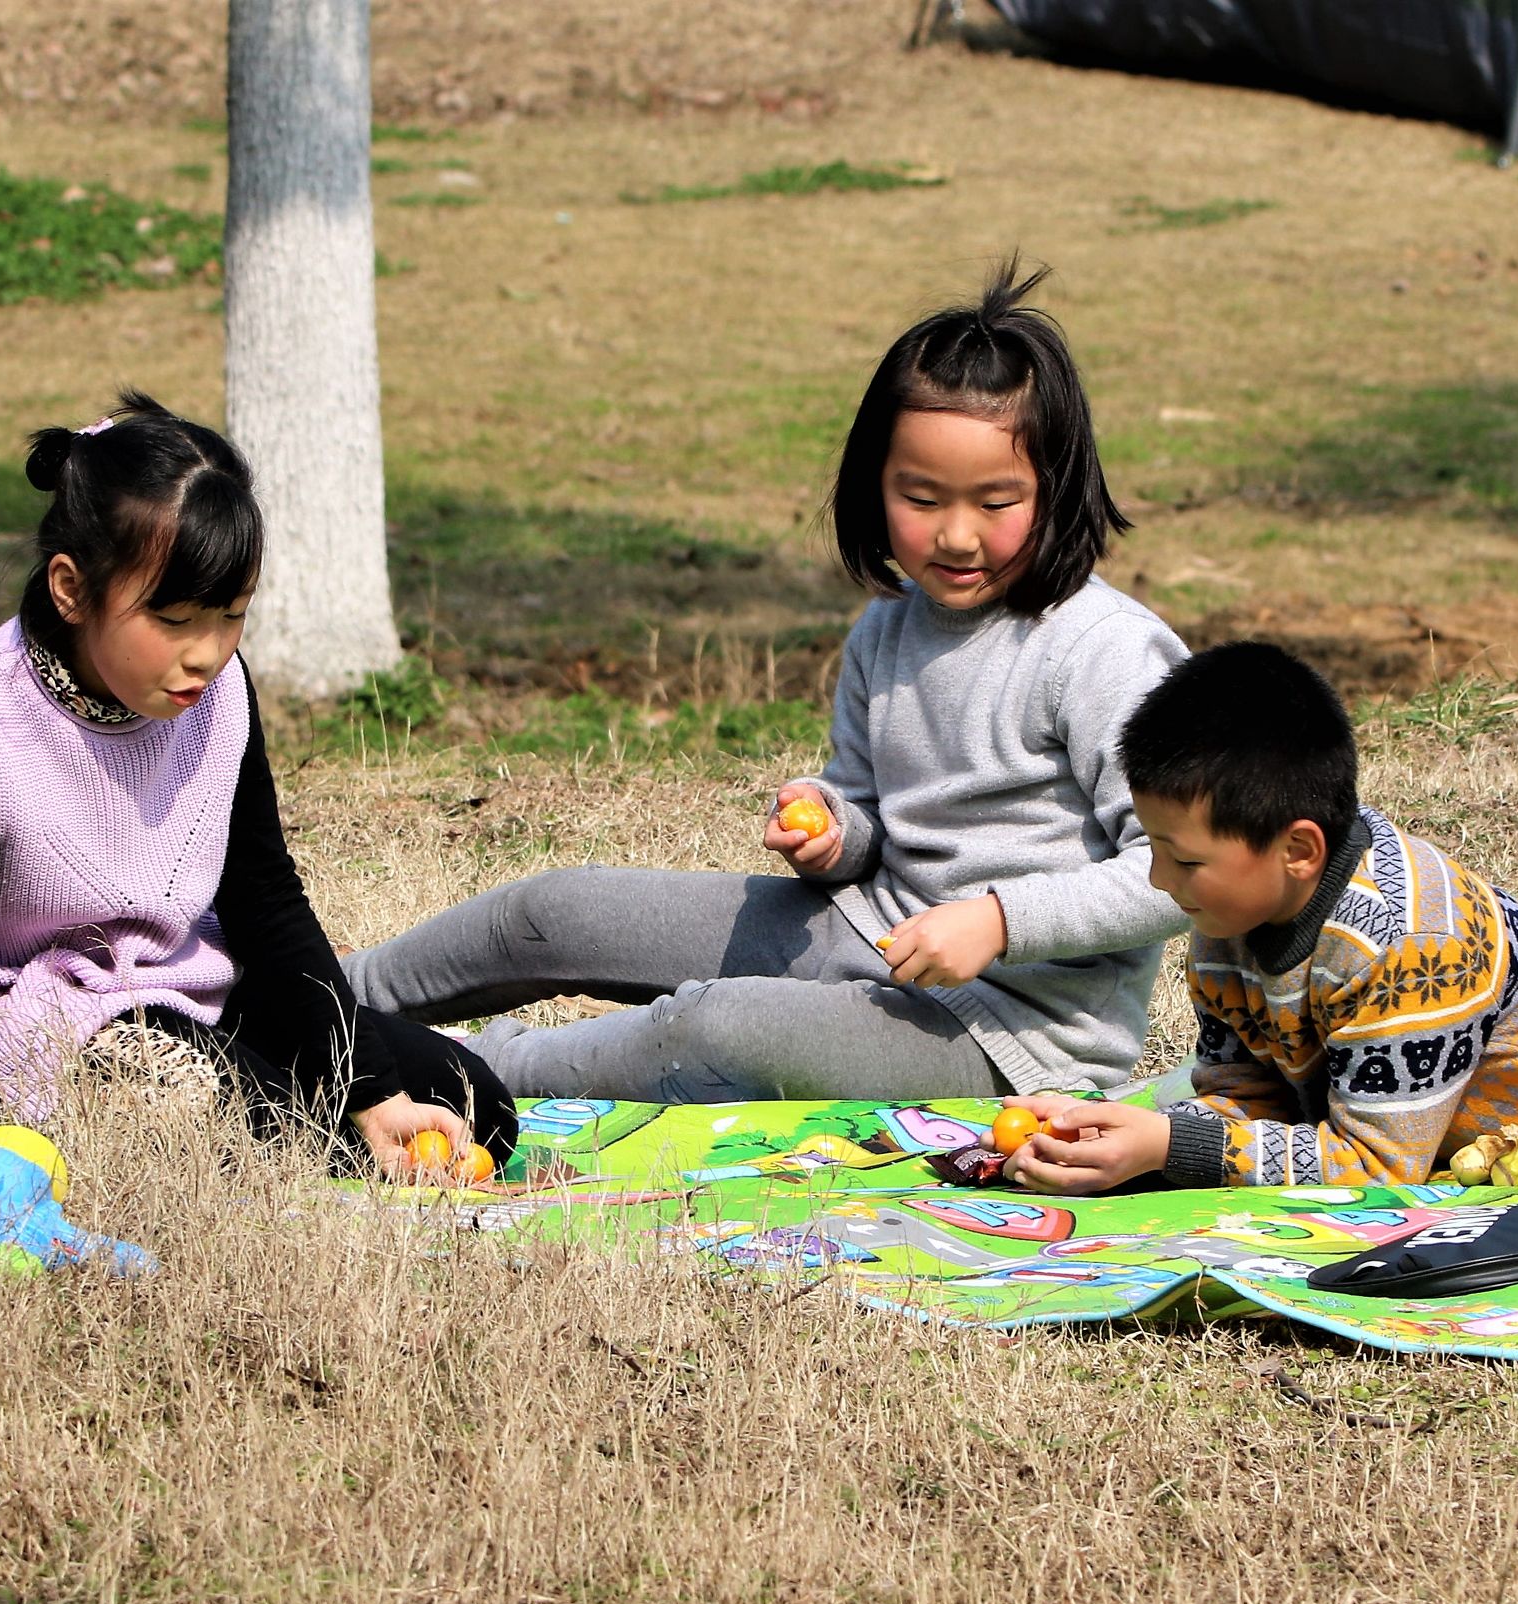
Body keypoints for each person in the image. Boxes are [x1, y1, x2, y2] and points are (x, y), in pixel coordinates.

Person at [344, 262, 1190, 1102]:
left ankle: (462, 1072)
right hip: (861, 930)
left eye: (997, 503)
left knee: (713, 1029)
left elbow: (1177, 868)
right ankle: (320, 999)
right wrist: (832, 829)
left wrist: (1000, 921)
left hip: (1003, 1039)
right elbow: (871, 821)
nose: (958, 536)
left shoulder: (1104, 651)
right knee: (561, 909)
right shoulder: (889, 626)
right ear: (875, 484)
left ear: (1058, 486)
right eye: (922, 498)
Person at [0, 392, 516, 1176]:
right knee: (303, 1146)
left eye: (232, 616)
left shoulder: (217, 691)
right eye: (177, 619)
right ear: (70, 588)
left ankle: (290, 1094)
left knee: (476, 1107)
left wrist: (374, 1089)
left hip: (198, 987)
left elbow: (262, 894)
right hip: (52, 1022)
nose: (208, 653)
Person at [1006, 641, 1518, 1193]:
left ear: (1299, 848)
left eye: (1182, 860)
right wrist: (1121, 1137)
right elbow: (1249, 1100)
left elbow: (1378, 1167)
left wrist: (1172, 1144)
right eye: (1153, 849)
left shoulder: (1410, 951)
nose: (1159, 880)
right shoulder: (1228, 917)